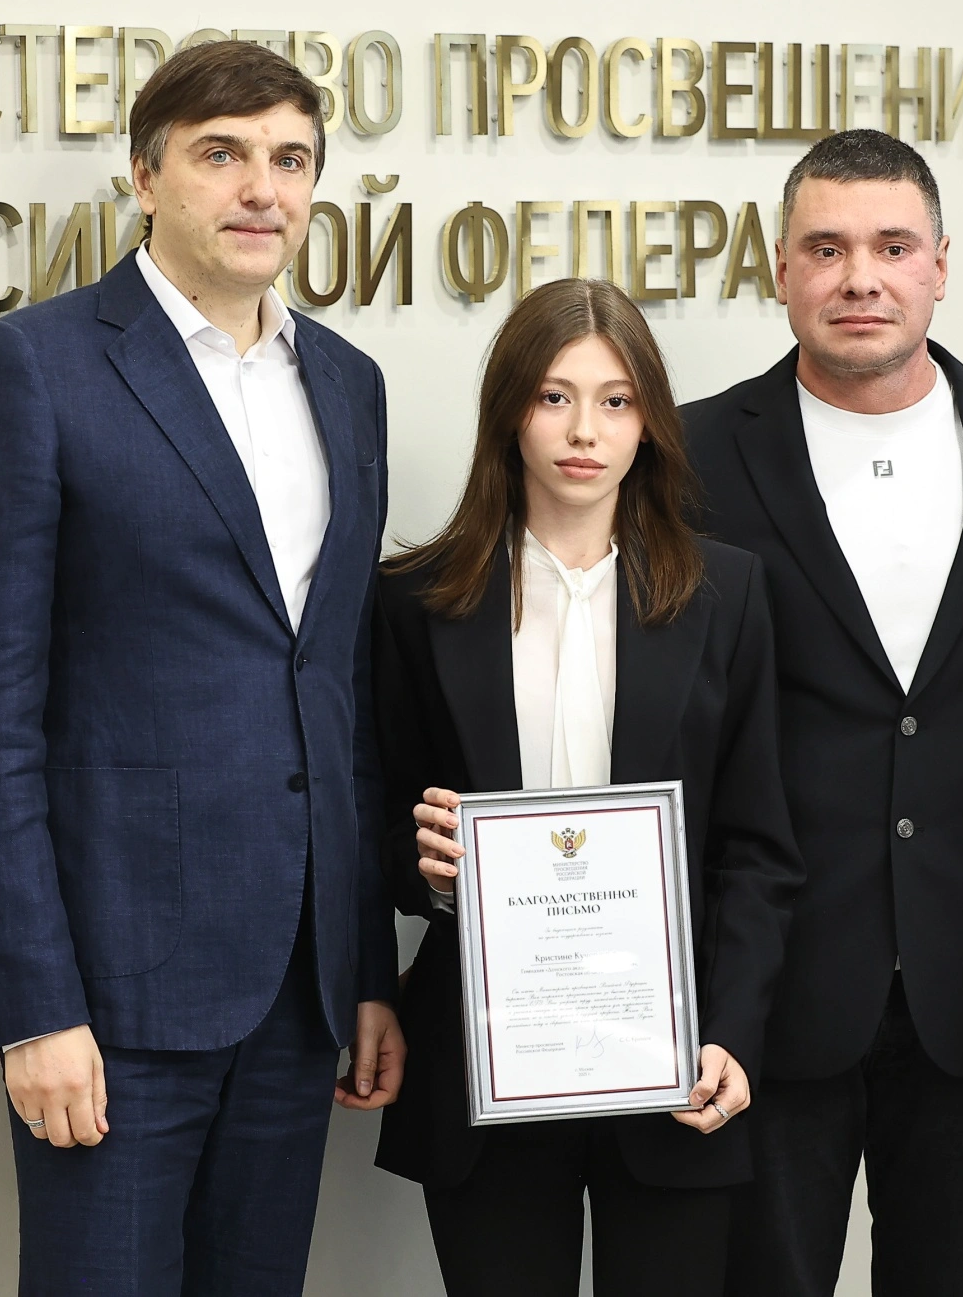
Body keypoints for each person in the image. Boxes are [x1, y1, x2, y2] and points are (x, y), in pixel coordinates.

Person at [0, 40, 402, 1295]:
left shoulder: (347, 385)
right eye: (220, 154)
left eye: (288, 159)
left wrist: (362, 969)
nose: (260, 188)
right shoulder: (34, 370)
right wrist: (32, 1004)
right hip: (111, 995)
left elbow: (339, 700)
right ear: (144, 176)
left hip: (297, 993)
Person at [686, 129, 963, 1296]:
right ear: (779, 269)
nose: (857, 277)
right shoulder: (690, 452)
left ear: (939, 265)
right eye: (824, 248)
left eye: (890, 246)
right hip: (767, 994)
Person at [370, 278, 805, 1297]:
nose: (583, 431)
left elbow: (756, 848)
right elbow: (374, 825)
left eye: (615, 401)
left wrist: (729, 1031)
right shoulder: (415, 600)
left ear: (648, 422)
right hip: (488, 1060)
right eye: (553, 397)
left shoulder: (726, 593)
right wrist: (428, 869)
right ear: (508, 411)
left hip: (669, 1058)